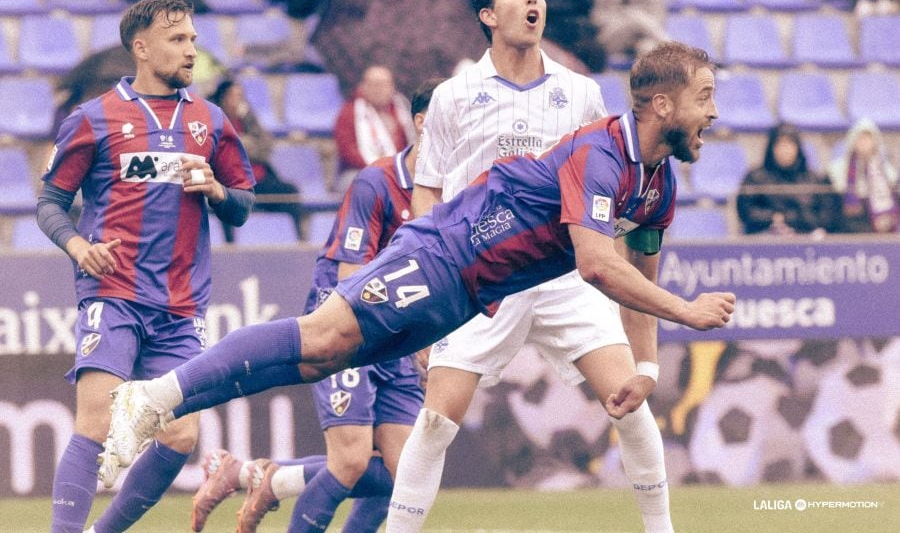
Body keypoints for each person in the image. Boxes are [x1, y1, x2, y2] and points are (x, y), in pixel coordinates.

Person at [95, 43, 736, 530]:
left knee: (321, 357)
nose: (713, 111)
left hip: (468, 295)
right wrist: (688, 310)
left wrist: (647, 365)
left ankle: (177, 412)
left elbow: (638, 276)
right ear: (662, 105)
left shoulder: (658, 183)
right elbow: (598, 264)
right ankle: (153, 394)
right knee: (322, 336)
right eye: (705, 96)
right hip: (444, 253)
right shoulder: (600, 154)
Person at [390, 0, 666, 533]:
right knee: (437, 420)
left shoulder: (582, 92)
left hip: (564, 274)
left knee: (631, 406)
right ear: (489, 14)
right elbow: (429, 195)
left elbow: (604, 180)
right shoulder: (453, 95)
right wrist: (428, 294)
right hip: (481, 276)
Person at [37, 0, 256, 533]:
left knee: (181, 438)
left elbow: (245, 204)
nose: (191, 50)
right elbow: (50, 202)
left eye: (193, 40)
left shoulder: (210, 120)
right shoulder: (93, 119)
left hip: (181, 306)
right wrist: (77, 246)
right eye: (178, 40)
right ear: (141, 47)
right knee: (95, 420)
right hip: (112, 293)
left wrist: (218, 190)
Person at [189, 78, 440, 533]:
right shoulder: (377, 181)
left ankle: (254, 475)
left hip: (396, 331)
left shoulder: (455, 192)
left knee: (404, 476)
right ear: (422, 123)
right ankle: (263, 477)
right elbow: (350, 280)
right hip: (348, 321)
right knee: (349, 459)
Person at [208, 78, 304, 243]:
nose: (238, 100)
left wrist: (243, 142)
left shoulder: (247, 118)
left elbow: (266, 147)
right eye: (233, 96)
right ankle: (230, 247)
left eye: (240, 96)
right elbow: (222, 152)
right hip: (229, 182)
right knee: (223, 202)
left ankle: (299, 242)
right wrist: (246, 144)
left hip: (258, 179)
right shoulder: (213, 119)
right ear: (223, 97)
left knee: (289, 192)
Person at [736, 124, 840, 235]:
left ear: (798, 148)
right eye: (780, 144)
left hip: (806, 238)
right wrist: (775, 217)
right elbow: (746, 212)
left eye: (790, 144)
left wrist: (800, 217)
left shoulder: (814, 179)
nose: (785, 150)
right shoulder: (756, 178)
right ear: (771, 148)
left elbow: (827, 216)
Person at [333, 64, 417, 187]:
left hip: (399, 170)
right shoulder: (350, 113)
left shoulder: (402, 111)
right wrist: (380, 169)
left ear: (392, 87)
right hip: (359, 170)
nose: (378, 90)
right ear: (362, 87)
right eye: (373, 85)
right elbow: (348, 151)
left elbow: (412, 145)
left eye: (383, 85)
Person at [827, 117, 899, 233]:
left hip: (881, 227)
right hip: (851, 225)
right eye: (861, 138)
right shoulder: (838, 169)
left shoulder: (886, 170)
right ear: (853, 140)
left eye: (868, 139)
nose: (864, 142)